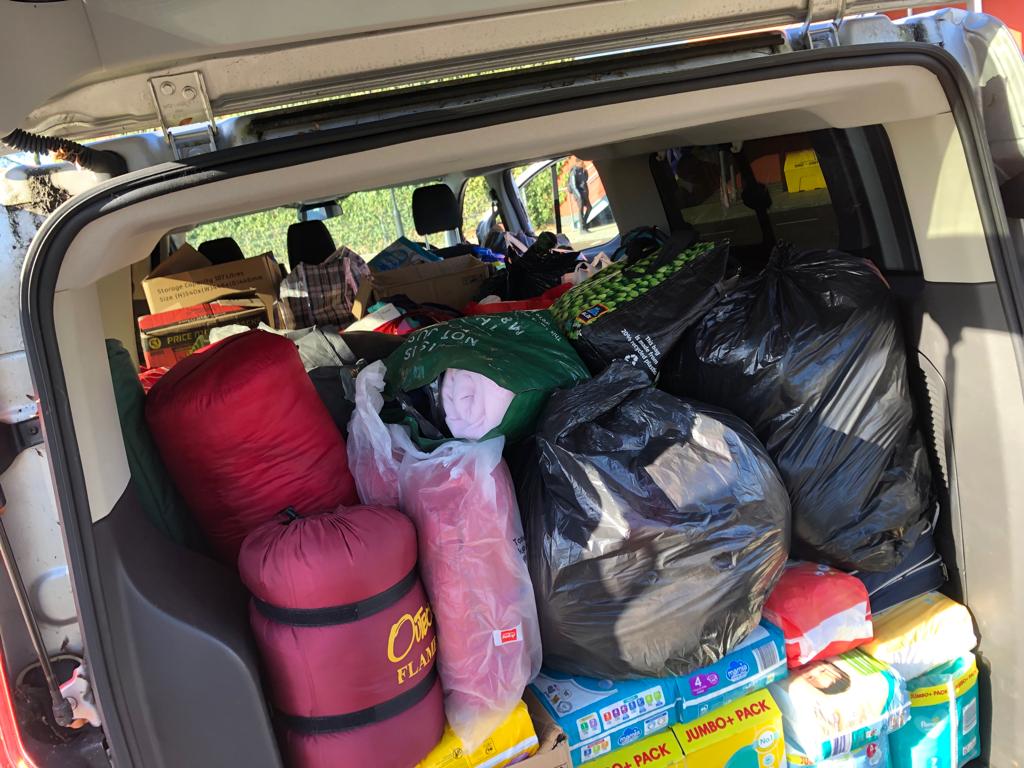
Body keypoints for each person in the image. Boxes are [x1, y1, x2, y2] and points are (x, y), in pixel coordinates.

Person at [569, 157, 592, 231]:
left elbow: (585, 180)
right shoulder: (574, 171)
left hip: (585, 193)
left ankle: (584, 224)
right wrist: (579, 196)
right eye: (581, 162)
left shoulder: (583, 170)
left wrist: (585, 171)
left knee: (589, 208)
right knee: (581, 210)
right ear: (578, 163)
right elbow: (573, 185)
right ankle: (582, 228)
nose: (583, 163)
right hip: (578, 194)